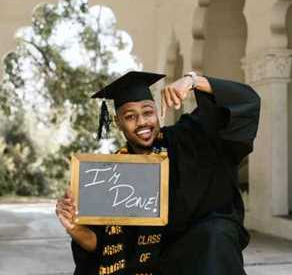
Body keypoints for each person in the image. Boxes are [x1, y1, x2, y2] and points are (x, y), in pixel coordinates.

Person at [55, 71, 261, 275]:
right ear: (118, 123)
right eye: (130, 116)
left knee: (215, 235)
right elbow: (103, 247)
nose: (142, 122)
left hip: (200, 253)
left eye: (147, 112)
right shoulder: (111, 174)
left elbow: (246, 102)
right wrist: (74, 228)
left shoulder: (188, 139)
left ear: (157, 112)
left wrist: (192, 81)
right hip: (152, 264)